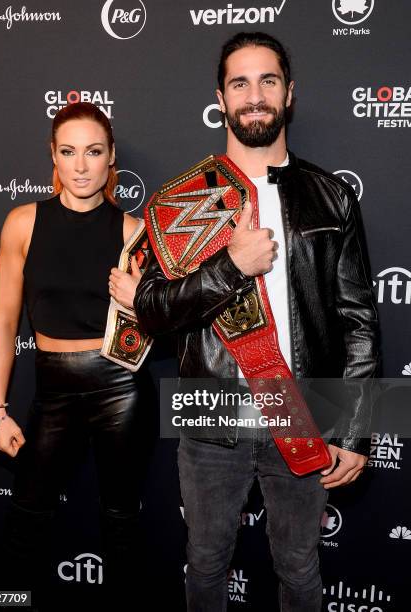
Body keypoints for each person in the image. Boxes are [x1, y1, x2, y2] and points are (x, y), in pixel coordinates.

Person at [134, 32, 379, 612]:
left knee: (299, 568)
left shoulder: (331, 196)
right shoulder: (183, 201)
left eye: (268, 80)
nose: (255, 95)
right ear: (220, 98)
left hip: (305, 406)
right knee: (206, 564)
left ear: (289, 94)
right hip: (211, 411)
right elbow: (150, 312)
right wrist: (229, 268)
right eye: (240, 83)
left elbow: (358, 321)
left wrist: (357, 428)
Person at [0, 102, 149, 608]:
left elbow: (159, 327)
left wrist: (140, 300)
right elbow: (3, 321)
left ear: (111, 157)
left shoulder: (134, 232)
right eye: (69, 152)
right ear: (53, 158)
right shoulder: (22, 223)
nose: (81, 166)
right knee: (25, 519)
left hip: (120, 388)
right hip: (52, 386)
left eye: (94, 152)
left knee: (121, 524)